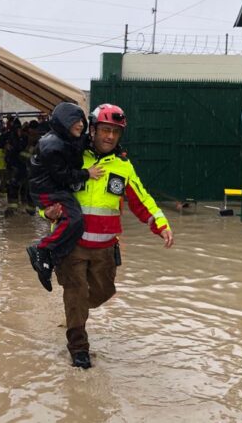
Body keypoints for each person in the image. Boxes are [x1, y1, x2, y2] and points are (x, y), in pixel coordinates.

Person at [43, 103, 174, 369]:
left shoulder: (123, 166)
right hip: (71, 245)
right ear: (92, 129)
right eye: (105, 129)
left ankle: (74, 313)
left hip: (104, 248)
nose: (110, 137)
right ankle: (78, 346)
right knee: (76, 292)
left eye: (116, 131)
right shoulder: (72, 158)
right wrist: (45, 212)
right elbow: (43, 190)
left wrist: (160, 222)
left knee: (104, 291)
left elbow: (141, 199)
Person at [26, 102, 104, 291]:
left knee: (76, 222)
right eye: (75, 121)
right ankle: (43, 249)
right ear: (64, 122)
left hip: (54, 188)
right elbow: (63, 175)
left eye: (82, 121)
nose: (80, 125)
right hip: (47, 190)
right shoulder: (53, 145)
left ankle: (50, 257)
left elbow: (80, 142)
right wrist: (87, 173)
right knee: (74, 219)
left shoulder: (67, 137)